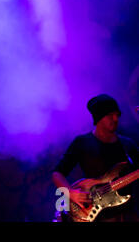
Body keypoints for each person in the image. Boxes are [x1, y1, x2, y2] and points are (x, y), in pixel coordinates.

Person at [52, 94, 139, 222]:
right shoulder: (82, 142)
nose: (115, 118)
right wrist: (70, 193)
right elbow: (57, 174)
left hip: (126, 215)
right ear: (98, 117)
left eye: (117, 115)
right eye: (110, 115)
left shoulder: (128, 144)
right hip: (94, 214)